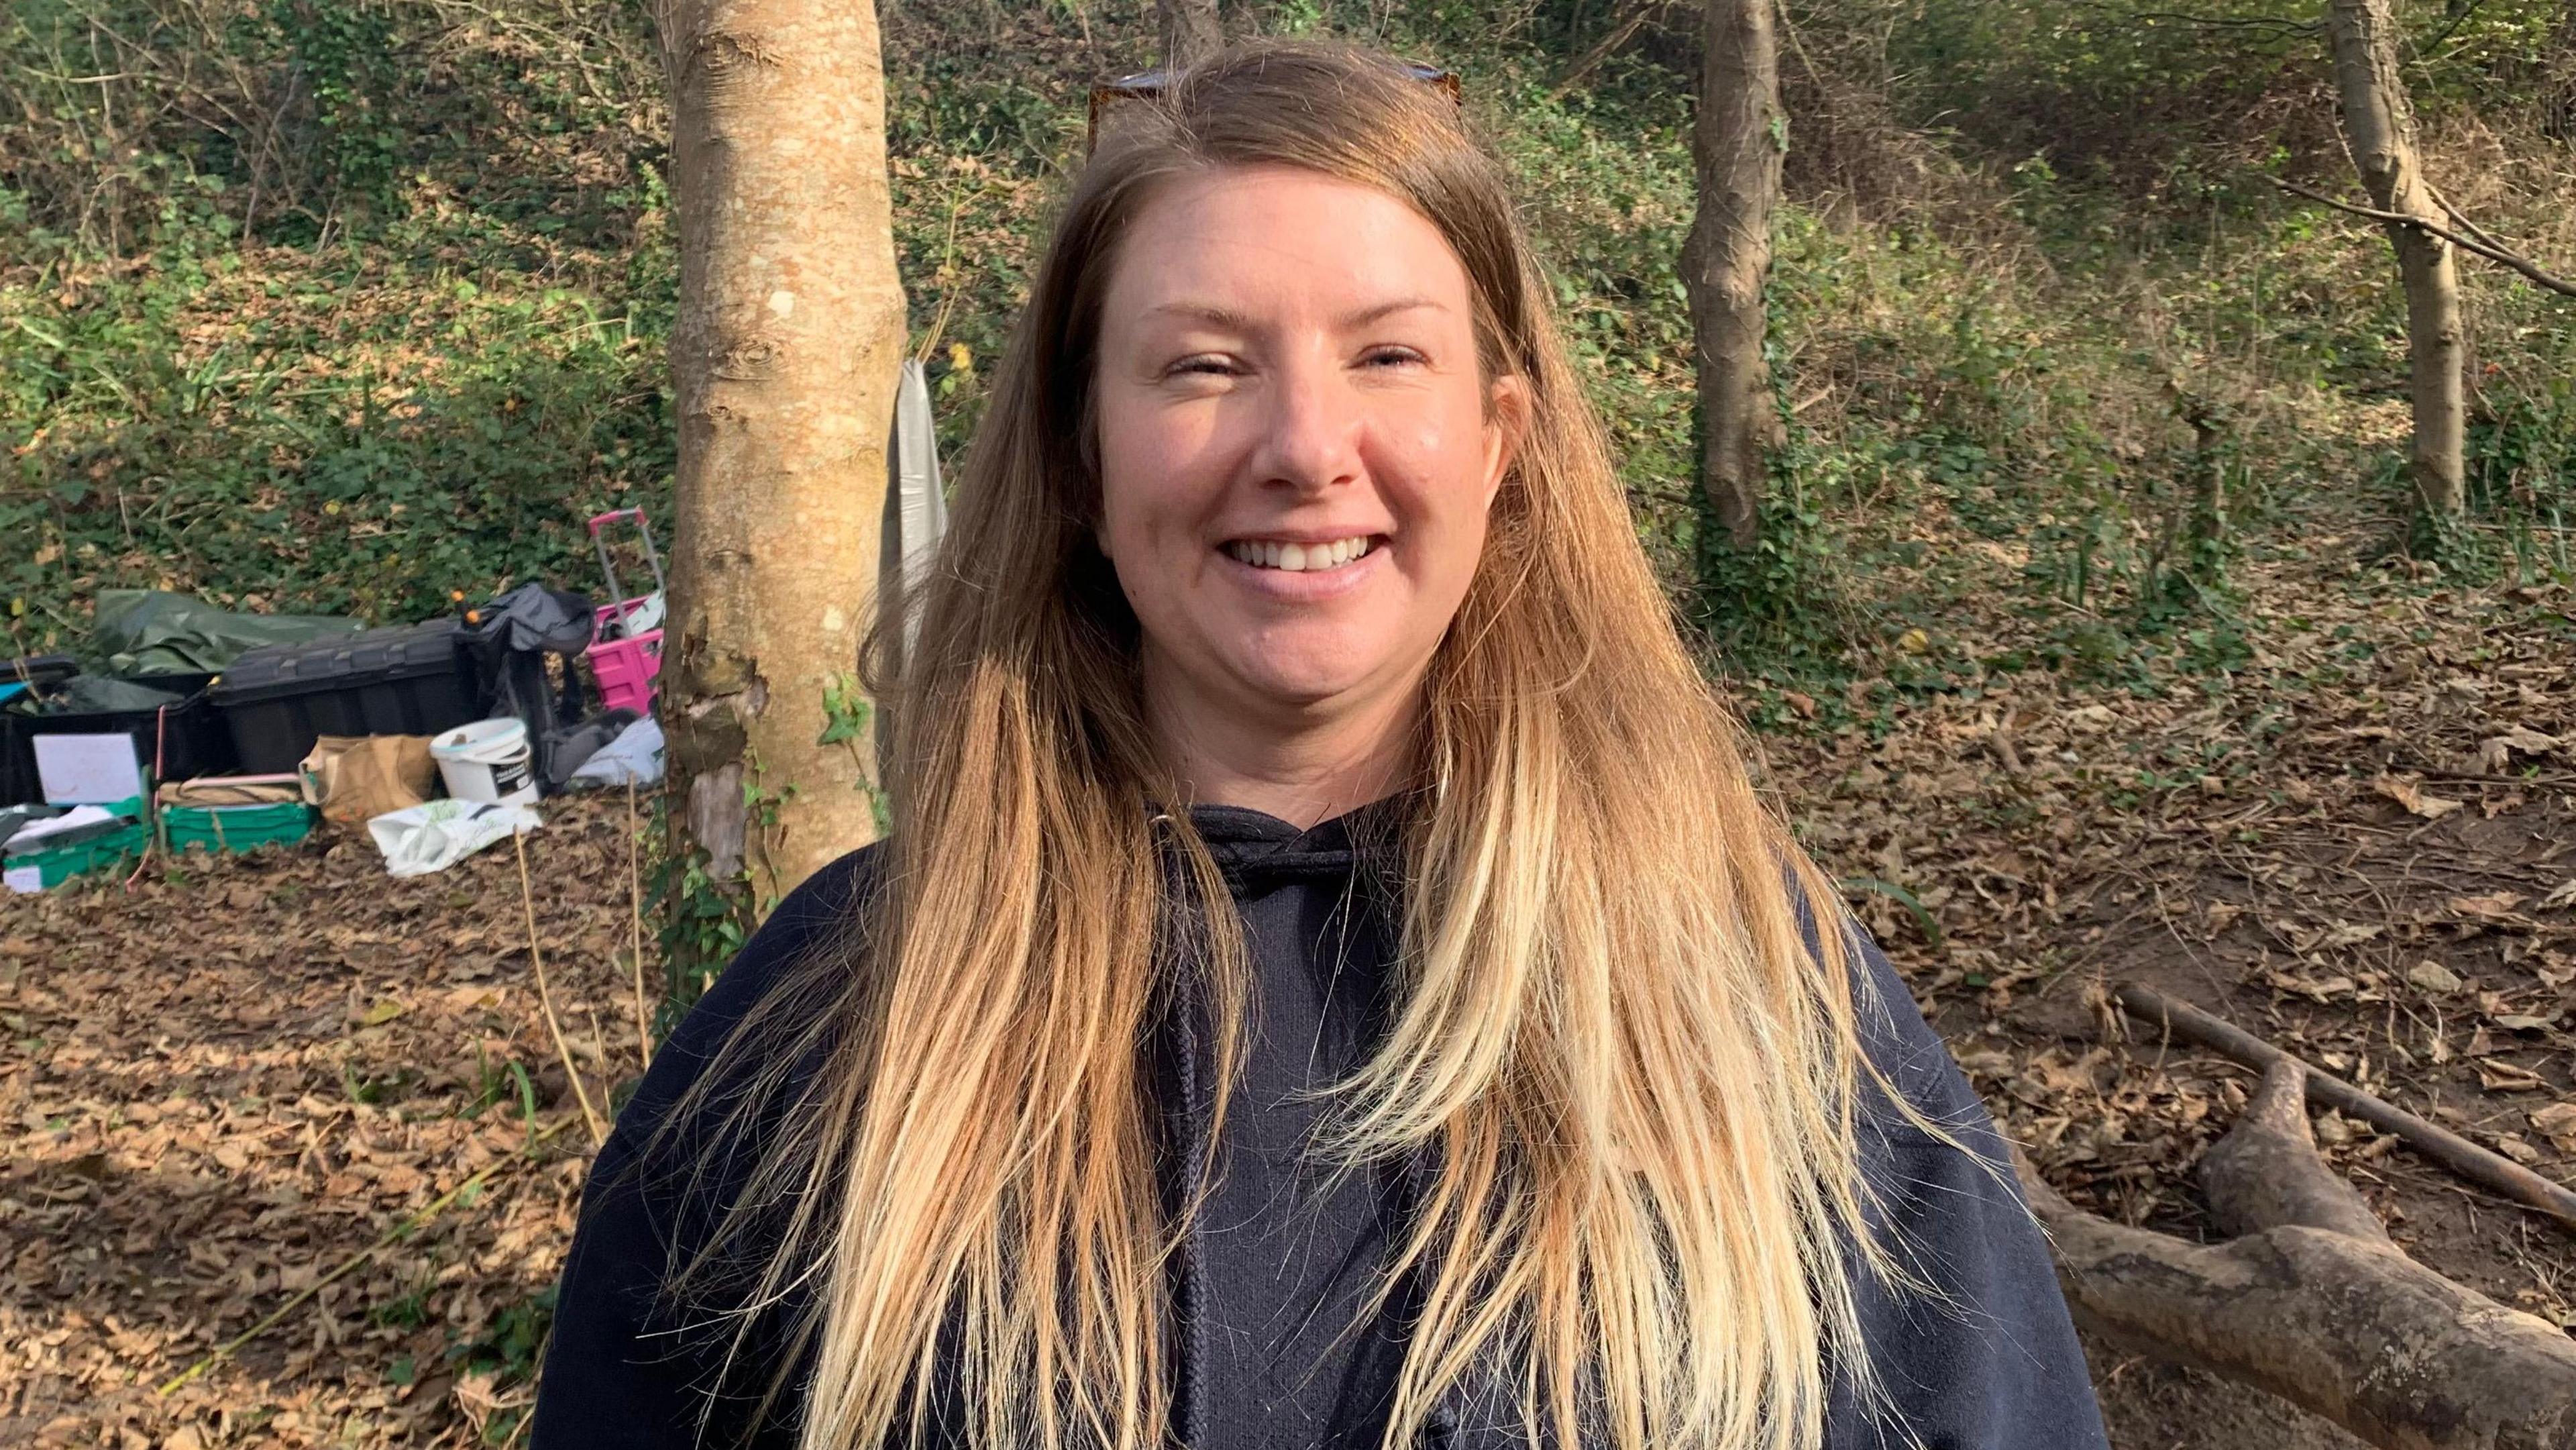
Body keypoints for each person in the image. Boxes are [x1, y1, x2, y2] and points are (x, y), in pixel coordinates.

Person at [533, 40, 2109, 1450]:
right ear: (1084, 458)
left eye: (1387, 355)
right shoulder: (845, 1013)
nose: (1302, 447)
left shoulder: (1748, 981)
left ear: (1497, 443)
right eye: (1204, 364)